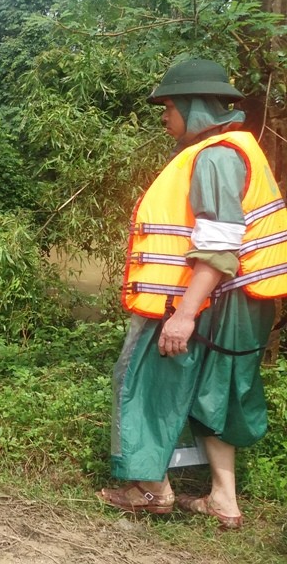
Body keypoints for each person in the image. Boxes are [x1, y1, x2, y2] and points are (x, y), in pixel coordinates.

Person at [97, 58, 287, 530]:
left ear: (191, 106)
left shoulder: (215, 157)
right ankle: (223, 499)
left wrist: (183, 314)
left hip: (202, 296)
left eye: (167, 107)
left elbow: (219, 243)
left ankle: (147, 489)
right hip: (241, 300)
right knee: (216, 392)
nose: (163, 117)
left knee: (141, 378)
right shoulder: (238, 149)